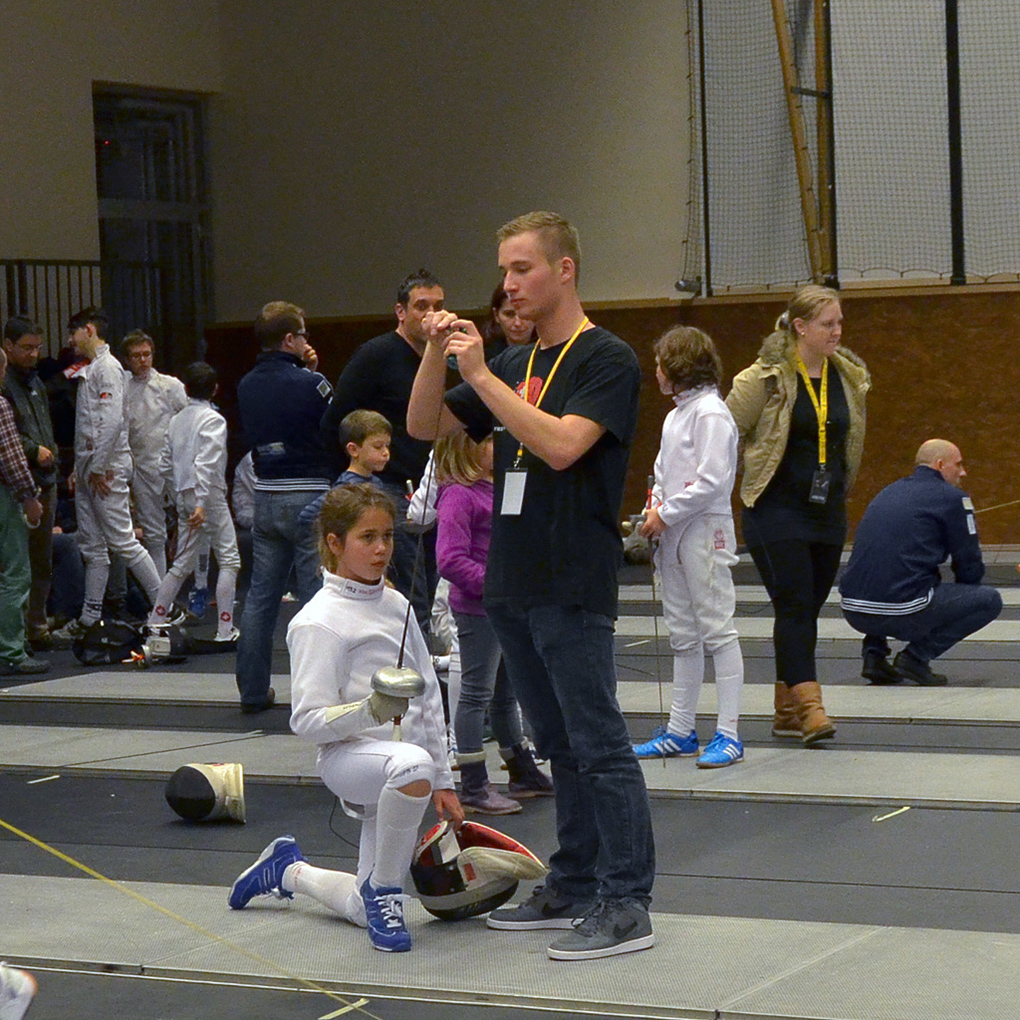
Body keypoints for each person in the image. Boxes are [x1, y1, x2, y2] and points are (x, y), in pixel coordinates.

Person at [408, 210, 655, 961]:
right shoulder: (516, 362)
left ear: (564, 269)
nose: (509, 284)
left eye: (522, 269)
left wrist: (481, 373)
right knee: (557, 744)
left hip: (570, 575)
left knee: (597, 742)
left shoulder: (604, 357)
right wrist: (436, 354)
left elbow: (561, 446)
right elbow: (424, 425)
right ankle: (575, 881)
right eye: (504, 271)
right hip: (512, 580)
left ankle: (627, 901)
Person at [226, 484, 461, 953]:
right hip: (349, 759)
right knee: (411, 765)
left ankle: (288, 870)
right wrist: (369, 711)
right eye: (367, 538)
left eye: (387, 536)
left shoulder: (397, 605)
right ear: (335, 542)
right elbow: (307, 720)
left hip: (402, 768)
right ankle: (386, 893)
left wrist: (444, 778)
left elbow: (429, 697)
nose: (381, 549)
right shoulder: (317, 621)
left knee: (358, 907)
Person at [726, 285, 870, 745]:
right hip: (774, 510)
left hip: (825, 511)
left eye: (840, 322)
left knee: (806, 609)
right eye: (828, 324)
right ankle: (810, 708)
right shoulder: (763, 378)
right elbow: (722, 433)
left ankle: (786, 710)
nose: (837, 331)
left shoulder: (846, 376)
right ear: (801, 327)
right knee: (793, 604)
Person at [632, 326, 745, 768]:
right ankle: (680, 731)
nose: (657, 372)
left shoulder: (711, 413)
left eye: (661, 364)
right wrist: (656, 508)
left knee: (717, 630)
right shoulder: (675, 415)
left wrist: (667, 512)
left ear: (680, 366)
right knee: (682, 634)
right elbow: (662, 474)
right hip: (675, 532)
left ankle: (729, 734)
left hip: (705, 529)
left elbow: (713, 480)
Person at [320, 270, 445, 637]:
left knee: (435, 590)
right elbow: (334, 422)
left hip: (432, 487)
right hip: (390, 488)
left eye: (438, 306)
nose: (431, 314)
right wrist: (356, 481)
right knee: (411, 596)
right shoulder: (376, 355)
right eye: (421, 306)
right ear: (400, 312)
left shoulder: (442, 356)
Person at [434, 429, 552, 814]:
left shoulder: (493, 487)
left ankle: (521, 769)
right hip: (478, 608)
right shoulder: (458, 494)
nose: (497, 448)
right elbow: (449, 559)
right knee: (476, 693)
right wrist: (494, 584)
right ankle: (473, 782)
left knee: (505, 693)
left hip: (504, 606)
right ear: (466, 448)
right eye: (488, 443)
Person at [234, 301, 332, 714]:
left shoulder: (245, 385)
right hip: (309, 491)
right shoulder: (313, 384)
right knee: (316, 598)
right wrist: (312, 373)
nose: (307, 339)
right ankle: (317, 693)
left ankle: (252, 690)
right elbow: (333, 427)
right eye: (303, 333)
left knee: (260, 597)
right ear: (290, 339)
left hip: (266, 493)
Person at [839, 439, 1002, 686]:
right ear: (940, 465)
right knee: (989, 601)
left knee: (886, 574)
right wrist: (967, 592)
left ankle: (874, 655)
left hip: (854, 610)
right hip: (903, 611)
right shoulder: (954, 498)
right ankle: (915, 658)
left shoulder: (888, 491)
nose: (963, 472)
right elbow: (968, 562)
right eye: (958, 465)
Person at [51, 308, 162, 641]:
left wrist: (98, 466)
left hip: (106, 470)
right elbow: (89, 426)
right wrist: (80, 468)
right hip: (92, 470)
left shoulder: (109, 368)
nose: (70, 340)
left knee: (124, 542)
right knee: (93, 547)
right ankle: (90, 618)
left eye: (73, 333)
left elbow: (111, 423)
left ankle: (164, 609)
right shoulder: (93, 368)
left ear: (88, 330)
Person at [147, 362, 241, 643]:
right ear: (215, 389)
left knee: (181, 564)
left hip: (184, 496)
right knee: (229, 560)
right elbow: (207, 462)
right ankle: (225, 630)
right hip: (207, 497)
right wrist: (200, 502)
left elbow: (165, 464)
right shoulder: (213, 420)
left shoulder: (176, 420)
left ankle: (155, 621)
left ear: (186, 389)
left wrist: (177, 495)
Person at [2, 316, 59, 650]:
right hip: (17, 485)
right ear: (8, 346)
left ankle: (36, 626)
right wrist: (33, 449)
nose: (33, 354)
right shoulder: (4, 384)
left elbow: (45, 426)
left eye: (37, 347)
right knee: (16, 565)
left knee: (41, 560)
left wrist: (51, 453)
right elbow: (7, 439)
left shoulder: (36, 382)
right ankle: (16, 635)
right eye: (26, 347)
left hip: (45, 479)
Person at [121, 329, 188, 576]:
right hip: (142, 469)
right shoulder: (123, 389)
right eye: (136, 355)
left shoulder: (170, 386)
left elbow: (189, 420)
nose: (143, 360)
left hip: (174, 466)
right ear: (127, 359)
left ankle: (194, 583)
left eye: (146, 354)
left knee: (193, 524)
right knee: (154, 536)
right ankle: (160, 593)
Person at [0, 347, 48, 676]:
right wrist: (29, 496)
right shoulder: (1, 405)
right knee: (15, 575)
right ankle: (11, 651)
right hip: (4, 498)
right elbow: (11, 458)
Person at [296, 410, 391, 532]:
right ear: (353, 450)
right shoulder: (347, 486)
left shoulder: (376, 482)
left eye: (387, 446)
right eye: (378, 447)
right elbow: (307, 516)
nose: (386, 452)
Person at [481, 281, 537, 359]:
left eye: (525, 314)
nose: (518, 323)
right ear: (496, 315)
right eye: (509, 314)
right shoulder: (481, 353)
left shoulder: (551, 350)